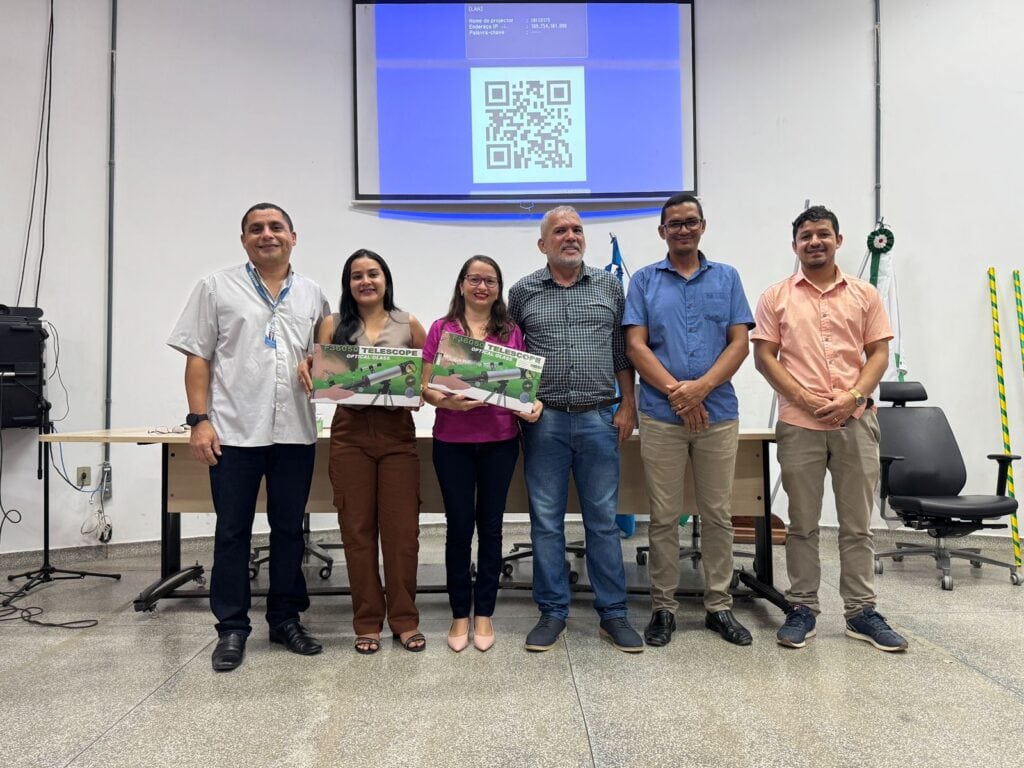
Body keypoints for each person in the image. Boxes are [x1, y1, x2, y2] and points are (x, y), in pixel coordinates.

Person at [168, 202, 329, 672]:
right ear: (243, 241)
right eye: (255, 229)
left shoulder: (314, 294)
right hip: (234, 430)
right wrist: (198, 419)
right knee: (233, 533)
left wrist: (319, 366)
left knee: (288, 532)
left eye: (276, 227)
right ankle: (232, 629)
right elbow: (197, 357)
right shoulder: (216, 287)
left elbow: (324, 358)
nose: (267, 234)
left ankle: (285, 620)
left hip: (295, 433)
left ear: (293, 237)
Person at [752, 204, 908, 653]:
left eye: (823, 234)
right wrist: (805, 398)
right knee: (801, 524)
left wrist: (853, 396)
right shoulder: (775, 297)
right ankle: (802, 608)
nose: (814, 242)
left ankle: (861, 612)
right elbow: (765, 357)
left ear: (838, 240)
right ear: (795, 245)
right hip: (800, 423)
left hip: (856, 420)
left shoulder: (864, 295)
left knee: (856, 524)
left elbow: (878, 353)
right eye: (806, 236)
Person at [508, 206, 644, 654]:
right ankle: (552, 612)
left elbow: (622, 353)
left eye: (577, 230)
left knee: (602, 522)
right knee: (545, 522)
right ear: (543, 243)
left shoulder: (609, 286)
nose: (571, 236)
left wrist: (629, 407)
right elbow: (513, 355)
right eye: (560, 231)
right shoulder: (522, 291)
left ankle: (614, 614)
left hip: (599, 417)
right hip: (543, 421)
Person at [623, 193, 755, 647]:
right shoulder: (643, 281)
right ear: (662, 231)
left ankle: (719, 606)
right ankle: (663, 607)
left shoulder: (728, 278)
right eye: (673, 223)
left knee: (718, 514)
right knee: (663, 516)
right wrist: (680, 395)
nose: (682, 229)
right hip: (661, 415)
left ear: (703, 226)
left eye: (690, 221)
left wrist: (700, 389)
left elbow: (739, 343)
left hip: (717, 413)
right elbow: (636, 347)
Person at [300, 249, 427, 655]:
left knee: (402, 534)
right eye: (357, 276)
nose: (366, 281)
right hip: (350, 435)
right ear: (348, 283)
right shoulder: (333, 324)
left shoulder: (409, 324)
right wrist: (311, 369)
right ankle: (367, 621)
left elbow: (428, 376)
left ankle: (405, 620)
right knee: (356, 533)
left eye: (373, 273)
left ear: (386, 279)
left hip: (397, 438)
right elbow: (320, 372)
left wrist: (423, 389)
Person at [421, 255, 543, 653]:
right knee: (458, 528)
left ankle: (485, 612)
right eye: (474, 279)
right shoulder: (442, 329)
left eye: (490, 280)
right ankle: (460, 614)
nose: (481, 287)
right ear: (461, 285)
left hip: (499, 440)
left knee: (490, 528)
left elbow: (522, 388)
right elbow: (425, 388)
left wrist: (532, 404)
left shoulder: (511, 331)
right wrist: (448, 403)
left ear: (498, 288)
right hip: (452, 441)